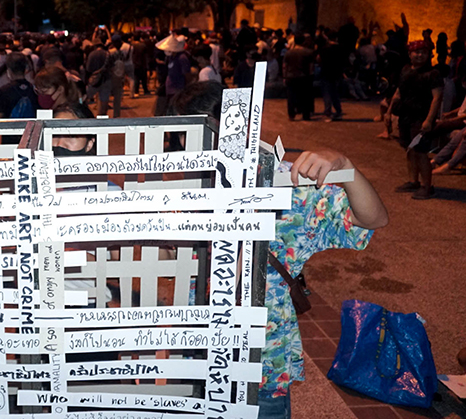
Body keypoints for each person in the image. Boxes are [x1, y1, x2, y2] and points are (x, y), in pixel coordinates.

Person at [168, 82, 388, 419]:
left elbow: (371, 219)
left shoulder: (284, 185)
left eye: (206, 133)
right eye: (186, 137)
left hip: (262, 364)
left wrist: (345, 166)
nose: (195, 147)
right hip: (196, 360)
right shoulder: (190, 188)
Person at [386, 39, 443, 200]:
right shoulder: (405, 70)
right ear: (410, 54)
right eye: (416, 52)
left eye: (423, 52)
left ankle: (427, 186)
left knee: (420, 151)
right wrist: (389, 112)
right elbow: (398, 92)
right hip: (405, 116)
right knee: (409, 149)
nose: (420, 55)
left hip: (421, 117)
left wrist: (429, 120)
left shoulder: (433, 74)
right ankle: (413, 181)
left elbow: (437, 98)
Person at [0, 52, 38, 119]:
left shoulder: (4, 91)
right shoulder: (34, 89)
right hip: (31, 125)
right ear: (25, 69)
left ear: (9, 71)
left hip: (11, 125)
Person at [282, 36, 315, 121]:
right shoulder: (309, 52)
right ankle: (306, 114)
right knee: (305, 96)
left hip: (291, 76)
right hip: (304, 76)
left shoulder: (288, 53)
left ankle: (291, 114)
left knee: (291, 96)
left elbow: (285, 66)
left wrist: (284, 76)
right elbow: (311, 66)